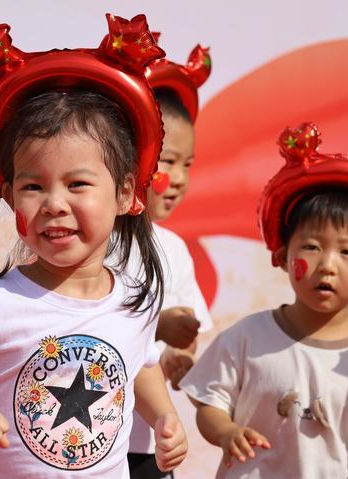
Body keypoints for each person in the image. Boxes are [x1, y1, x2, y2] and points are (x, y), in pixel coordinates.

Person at [0, 15, 188, 478]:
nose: (54, 204)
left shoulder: (132, 299)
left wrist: (165, 416)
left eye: (78, 183)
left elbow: (138, 364)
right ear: (8, 196)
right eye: (34, 186)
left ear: (126, 192)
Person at [179, 123, 348, 478]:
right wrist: (226, 432)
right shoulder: (247, 337)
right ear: (282, 255)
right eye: (311, 246)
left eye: (347, 251)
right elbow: (208, 403)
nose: (327, 265)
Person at [126, 43, 213, 479]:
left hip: (146, 442)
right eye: (169, 161)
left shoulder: (173, 249)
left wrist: (181, 358)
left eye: (188, 164)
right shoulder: (85, 245)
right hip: (72, 440)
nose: (178, 179)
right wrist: (157, 326)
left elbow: (185, 338)